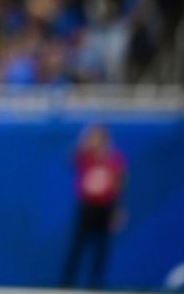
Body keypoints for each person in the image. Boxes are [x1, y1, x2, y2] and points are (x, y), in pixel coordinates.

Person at [61, 124, 127, 289]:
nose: (96, 140)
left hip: (105, 206)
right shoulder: (86, 155)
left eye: (98, 137)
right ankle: (67, 283)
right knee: (78, 246)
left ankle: (96, 284)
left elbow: (118, 183)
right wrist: (84, 142)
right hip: (87, 206)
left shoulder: (114, 158)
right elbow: (71, 158)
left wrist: (117, 209)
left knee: (101, 248)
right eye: (93, 137)